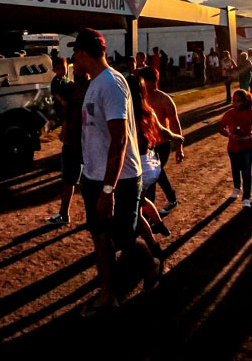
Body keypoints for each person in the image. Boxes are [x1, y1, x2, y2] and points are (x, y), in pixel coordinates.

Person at [70, 28, 160, 316]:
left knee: (123, 237)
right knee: (99, 236)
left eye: (75, 53)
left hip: (119, 179)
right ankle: (109, 295)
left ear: (83, 53)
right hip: (95, 175)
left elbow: (119, 139)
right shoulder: (95, 83)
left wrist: (108, 191)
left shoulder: (111, 83)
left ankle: (152, 265)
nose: (73, 58)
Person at [126, 73, 183, 257]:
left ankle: (150, 246)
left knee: (133, 208)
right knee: (140, 201)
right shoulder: (146, 110)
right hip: (149, 164)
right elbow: (162, 130)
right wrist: (176, 138)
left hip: (134, 166)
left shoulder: (124, 111)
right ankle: (157, 224)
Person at [45, 60, 89, 225]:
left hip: (81, 141)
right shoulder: (74, 88)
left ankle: (66, 214)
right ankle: (65, 214)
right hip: (78, 140)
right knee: (73, 180)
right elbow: (66, 112)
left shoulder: (86, 88)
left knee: (74, 180)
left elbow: (66, 113)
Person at [138, 66, 184, 216]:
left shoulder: (164, 99)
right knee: (156, 174)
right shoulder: (138, 98)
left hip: (162, 145)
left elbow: (175, 123)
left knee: (150, 179)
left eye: (153, 81)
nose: (142, 84)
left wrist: (179, 147)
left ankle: (147, 214)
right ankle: (171, 198)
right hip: (145, 146)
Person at [218, 89, 252, 208]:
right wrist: (230, 135)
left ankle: (246, 197)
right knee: (235, 169)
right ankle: (237, 188)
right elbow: (221, 128)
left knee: (246, 171)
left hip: (247, 147)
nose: (235, 103)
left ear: (246, 101)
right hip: (233, 147)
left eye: (239, 101)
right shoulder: (229, 113)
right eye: (234, 100)